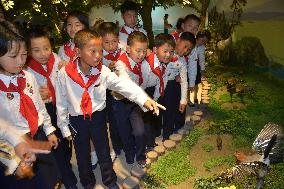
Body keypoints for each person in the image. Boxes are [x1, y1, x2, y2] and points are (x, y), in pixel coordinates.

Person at [55, 29, 161, 189]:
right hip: (77, 120)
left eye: (100, 51)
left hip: (97, 118)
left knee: (104, 151)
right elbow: (61, 102)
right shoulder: (64, 74)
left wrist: (144, 99)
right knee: (82, 155)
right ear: (78, 51)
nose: (98, 55)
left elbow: (123, 85)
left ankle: (109, 180)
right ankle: (88, 183)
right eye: (93, 51)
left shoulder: (102, 71)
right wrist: (64, 128)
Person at [0, 20, 60, 189]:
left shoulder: (28, 77)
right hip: (10, 146)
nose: (20, 61)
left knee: (49, 180)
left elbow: (39, 106)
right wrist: (13, 157)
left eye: (25, 54)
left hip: (37, 135)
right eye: (13, 56)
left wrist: (49, 130)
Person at [25, 28, 78, 189]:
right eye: (36, 50)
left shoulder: (56, 59)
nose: (43, 53)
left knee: (67, 143)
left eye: (46, 48)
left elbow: (64, 82)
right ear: (28, 51)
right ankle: (69, 180)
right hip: (45, 111)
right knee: (58, 148)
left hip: (61, 106)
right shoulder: (27, 70)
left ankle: (64, 167)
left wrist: (66, 69)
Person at [114, 31, 149, 166]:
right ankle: (129, 153)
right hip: (121, 103)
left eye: (144, 51)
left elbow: (146, 80)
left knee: (139, 131)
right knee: (124, 132)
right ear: (128, 49)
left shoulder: (143, 63)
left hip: (135, 102)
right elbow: (126, 82)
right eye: (138, 50)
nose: (141, 54)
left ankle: (140, 155)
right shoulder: (120, 64)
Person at [143, 34, 187, 140]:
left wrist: (183, 100)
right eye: (165, 51)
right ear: (155, 49)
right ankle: (152, 137)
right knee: (150, 115)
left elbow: (166, 80)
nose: (168, 55)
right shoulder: (147, 64)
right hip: (146, 90)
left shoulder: (173, 62)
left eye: (171, 51)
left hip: (161, 89)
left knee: (166, 110)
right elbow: (142, 84)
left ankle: (166, 135)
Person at [96, 22, 124, 161]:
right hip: (105, 92)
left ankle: (123, 142)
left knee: (121, 118)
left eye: (114, 41)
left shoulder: (122, 50)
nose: (111, 45)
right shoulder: (98, 55)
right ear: (100, 41)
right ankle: (116, 147)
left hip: (120, 89)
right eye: (106, 42)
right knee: (112, 120)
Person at [173, 32, 196, 130]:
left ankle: (176, 129)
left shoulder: (182, 60)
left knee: (174, 108)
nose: (186, 50)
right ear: (178, 41)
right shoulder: (166, 52)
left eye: (189, 49)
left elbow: (184, 80)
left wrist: (183, 101)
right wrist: (175, 75)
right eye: (185, 46)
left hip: (173, 87)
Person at [181, 14, 201, 106]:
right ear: (183, 26)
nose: (192, 30)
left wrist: (192, 84)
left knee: (182, 104)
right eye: (190, 26)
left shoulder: (194, 47)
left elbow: (193, 66)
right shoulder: (174, 40)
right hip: (169, 80)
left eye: (195, 28)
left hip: (183, 80)